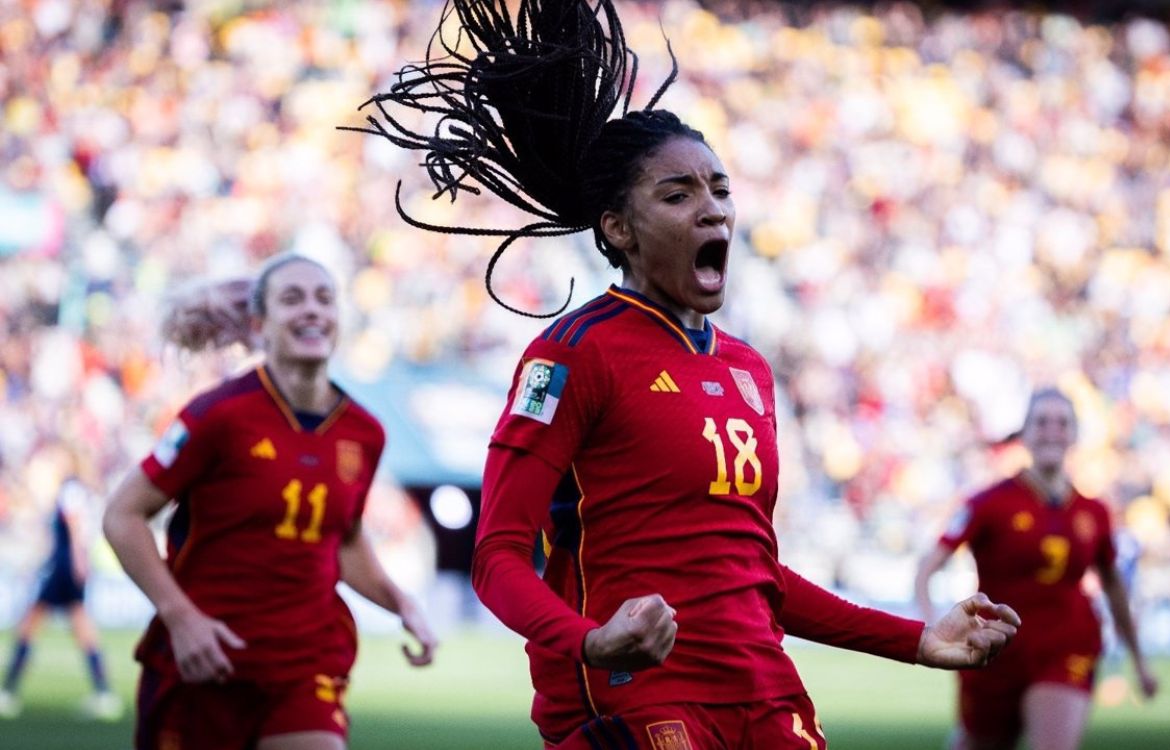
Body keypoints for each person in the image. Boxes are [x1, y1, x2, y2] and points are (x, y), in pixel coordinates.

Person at [355, 1, 1020, 746]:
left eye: (720, 190)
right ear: (617, 228)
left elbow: (755, 576)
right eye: (678, 196)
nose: (713, 212)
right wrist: (588, 640)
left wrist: (915, 639)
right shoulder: (573, 353)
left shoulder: (748, 369)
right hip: (636, 703)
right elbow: (497, 555)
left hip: (767, 695)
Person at [102, 253, 438, 750]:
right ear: (259, 325)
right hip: (204, 658)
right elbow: (122, 515)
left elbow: (342, 542)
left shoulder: (365, 433)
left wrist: (400, 601)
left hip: (305, 663)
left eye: (325, 299)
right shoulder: (218, 415)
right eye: (292, 298)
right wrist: (181, 618)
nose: (312, 310)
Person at [914, 388, 1159, 750]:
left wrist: (1138, 660)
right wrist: (934, 623)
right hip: (993, 651)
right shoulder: (988, 503)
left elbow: (1114, 588)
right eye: (1041, 422)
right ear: (1024, 433)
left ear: (1074, 434)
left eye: (1062, 423)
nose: (1051, 431)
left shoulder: (1095, 513)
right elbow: (927, 567)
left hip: (1066, 647)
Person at [0, 455, 122, 721]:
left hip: (63, 567)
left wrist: (78, 561)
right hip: (66, 565)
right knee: (80, 626)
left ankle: (8, 691)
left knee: (30, 622)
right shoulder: (79, 489)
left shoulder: (71, 489)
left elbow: (74, 526)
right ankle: (104, 693)